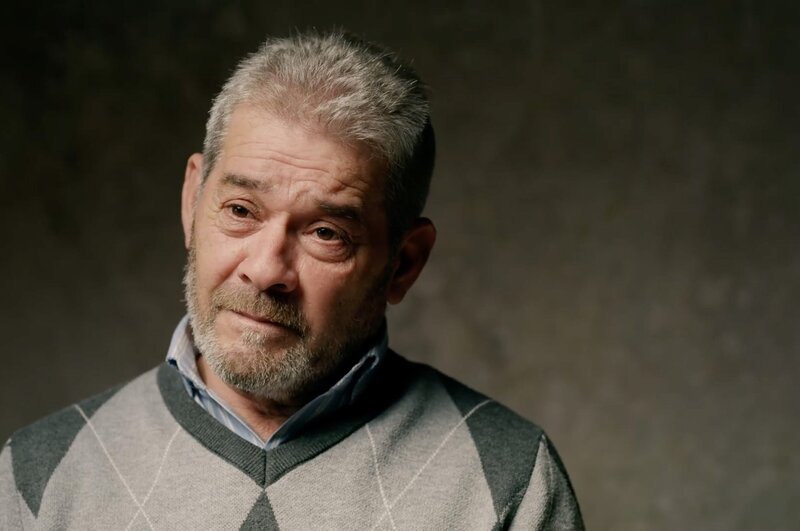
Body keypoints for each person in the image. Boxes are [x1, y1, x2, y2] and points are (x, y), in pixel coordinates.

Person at [0, 31, 584, 529]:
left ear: (404, 264)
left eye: (326, 233)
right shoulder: (39, 478)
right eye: (240, 210)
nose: (265, 270)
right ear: (192, 202)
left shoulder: (508, 482)